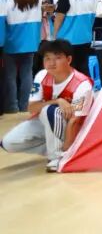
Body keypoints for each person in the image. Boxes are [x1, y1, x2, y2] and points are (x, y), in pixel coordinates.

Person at [0, 40, 93, 172]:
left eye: (57, 58)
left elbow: (75, 121)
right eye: (47, 58)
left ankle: (57, 157)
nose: (51, 63)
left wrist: (66, 150)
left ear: (69, 59)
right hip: (47, 121)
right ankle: (54, 148)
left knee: (51, 111)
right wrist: (57, 101)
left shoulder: (82, 85)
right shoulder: (41, 75)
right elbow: (31, 108)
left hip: (74, 128)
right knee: (8, 143)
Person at [2, 0, 44, 113]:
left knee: (10, 76)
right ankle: (25, 105)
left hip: (11, 42)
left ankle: (12, 106)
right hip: (31, 42)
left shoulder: (7, 1)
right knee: (27, 74)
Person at [52, 0, 100, 74]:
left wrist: (54, 35)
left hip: (67, 40)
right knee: (83, 69)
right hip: (86, 38)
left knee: (67, 72)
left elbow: (59, 17)